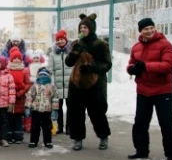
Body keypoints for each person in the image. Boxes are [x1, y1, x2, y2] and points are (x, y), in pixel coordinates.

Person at [126, 18, 172, 160]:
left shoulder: (165, 44)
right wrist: (131, 69)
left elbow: (169, 65)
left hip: (163, 91)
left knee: (167, 123)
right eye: (145, 29)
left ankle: (171, 154)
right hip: (143, 91)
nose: (149, 31)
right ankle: (141, 150)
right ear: (140, 32)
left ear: (154, 28)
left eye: (151, 28)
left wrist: (146, 67)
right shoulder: (136, 47)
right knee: (140, 122)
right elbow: (131, 63)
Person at [65, 13, 112, 151]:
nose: (83, 30)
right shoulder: (76, 43)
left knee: (97, 112)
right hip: (77, 83)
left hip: (95, 84)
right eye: (81, 27)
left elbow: (107, 64)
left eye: (85, 27)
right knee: (76, 112)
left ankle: (103, 136)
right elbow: (68, 62)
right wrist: (74, 52)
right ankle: (77, 138)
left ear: (91, 28)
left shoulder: (101, 45)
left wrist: (92, 67)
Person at [25, 68, 59, 149]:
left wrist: (55, 109)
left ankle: (48, 141)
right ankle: (33, 141)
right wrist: (28, 107)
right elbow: (30, 96)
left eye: (45, 75)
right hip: (36, 110)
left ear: (48, 76)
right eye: (41, 75)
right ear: (38, 76)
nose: (43, 76)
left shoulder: (52, 86)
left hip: (47, 110)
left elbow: (55, 98)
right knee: (35, 127)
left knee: (47, 127)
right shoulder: (34, 86)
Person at [48, 29, 73, 134]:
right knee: (58, 108)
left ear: (66, 39)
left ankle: (69, 127)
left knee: (70, 108)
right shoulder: (53, 54)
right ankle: (59, 127)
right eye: (58, 40)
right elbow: (50, 70)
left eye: (62, 39)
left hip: (69, 85)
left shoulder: (71, 52)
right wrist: (52, 83)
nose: (60, 41)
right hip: (57, 86)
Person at [7, 47, 31, 144]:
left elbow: (28, 84)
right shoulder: (7, 70)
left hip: (20, 98)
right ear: (11, 59)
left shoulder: (24, 70)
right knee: (9, 117)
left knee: (18, 118)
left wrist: (21, 92)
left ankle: (18, 136)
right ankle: (9, 136)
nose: (16, 59)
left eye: (18, 58)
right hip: (9, 98)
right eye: (14, 58)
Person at [0, 56, 15, 147]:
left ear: (3, 64)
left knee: (4, 122)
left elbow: (12, 90)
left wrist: (11, 102)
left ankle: (3, 138)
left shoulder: (9, 76)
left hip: (4, 104)